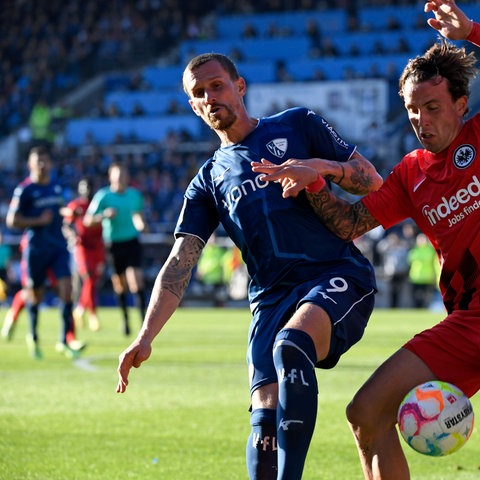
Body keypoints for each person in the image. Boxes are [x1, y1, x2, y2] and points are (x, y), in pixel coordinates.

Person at [116, 52, 383, 479]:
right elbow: (180, 261)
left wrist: (318, 167)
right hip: (270, 299)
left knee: (291, 346)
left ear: (240, 87)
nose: (210, 97)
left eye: (217, 85)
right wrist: (146, 336)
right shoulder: (207, 181)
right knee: (264, 420)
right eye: (198, 94)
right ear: (192, 107)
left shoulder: (297, 125)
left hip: (334, 274)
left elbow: (371, 179)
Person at [251, 1, 480, 478]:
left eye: (432, 107)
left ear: (461, 104)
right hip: (468, 322)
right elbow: (348, 224)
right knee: (367, 415)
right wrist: (317, 179)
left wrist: (473, 30)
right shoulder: (411, 173)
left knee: (369, 412)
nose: (420, 119)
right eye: (412, 109)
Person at [5, 145, 85, 359]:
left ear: (50, 163)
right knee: (36, 295)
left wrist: (68, 212)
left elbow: (57, 210)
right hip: (36, 248)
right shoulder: (25, 190)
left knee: (67, 290)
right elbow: (12, 220)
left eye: (45, 160)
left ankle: (63, 341)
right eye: (37, 160)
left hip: (57, 246)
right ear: (30, 164)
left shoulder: (56, 187)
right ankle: (33, 337)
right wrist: (37, 221)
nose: (41, 164)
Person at [84, 162, 146, 336]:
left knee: (136, 280)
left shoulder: (135, 195)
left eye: (123, 176)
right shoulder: (103, 196)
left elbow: (138, 215)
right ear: (111, 177)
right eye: (117, 176)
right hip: (113, 244)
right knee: (120, 285)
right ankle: (125, 320)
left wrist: (141, 225)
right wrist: (104, 215)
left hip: (132, 241)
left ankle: (144, 322)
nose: (120, 179)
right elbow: (88, 221)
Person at [62, 178, 105, 331]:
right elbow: (66, 225)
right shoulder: (76, 205)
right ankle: (91, 313)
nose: (87, 189)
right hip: (82, 247)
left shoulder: (99, 204)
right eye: (84, 187)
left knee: (93, 280)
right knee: (88, 277)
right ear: (79, 189)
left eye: (89, 186)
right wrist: (72, 235)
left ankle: (80, 309)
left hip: (98, 247)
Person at [407, 232, 438, 308]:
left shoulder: (430, 250)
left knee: (426, 297)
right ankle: (416, 308)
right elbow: (409, 262)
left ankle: (424, 308)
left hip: (428, 278)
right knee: (415, 296)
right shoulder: (414, 250)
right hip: (415, 277)